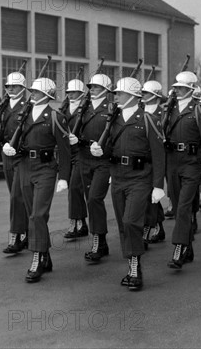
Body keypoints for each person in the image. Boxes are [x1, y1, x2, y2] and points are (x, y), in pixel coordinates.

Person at [90, 77, 166, 291]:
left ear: (133, 96)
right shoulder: (113, 119)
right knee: (124, 223)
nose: (116, 96)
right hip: (118, 176)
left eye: (119, 93)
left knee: (132, 220)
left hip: (140, 178)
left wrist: (158, 185)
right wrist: (100, 151)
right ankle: (131, 261)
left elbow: (159, 155)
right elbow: (108, 147)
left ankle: (135, 265)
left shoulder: (148, 119)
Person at [2, 77, 71, 283]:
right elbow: (17, 139)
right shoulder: (23, 115)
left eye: (36, 92)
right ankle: (45, 254)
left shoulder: (55, 117)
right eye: (31, 91)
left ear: (47, 95)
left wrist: (64, 177)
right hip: (24, 167)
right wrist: (11, 149)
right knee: (32, 213)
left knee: (38, 216)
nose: (32, 93)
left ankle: (37, 257)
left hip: (45, 169)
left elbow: (65, 151)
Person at [163, 71, 201, 270]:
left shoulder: (200, 110)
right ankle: (188, 246)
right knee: (177, 207)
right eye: (176, 87)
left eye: (182, 87)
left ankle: (179, 248)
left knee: (184, 206)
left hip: (192, 163)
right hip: (172, 162)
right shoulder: (168, 109)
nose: (178, 90)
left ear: (191, 89)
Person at [68, 73, 113, 264]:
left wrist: (106, 148)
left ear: (105, 90)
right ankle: (100, 240)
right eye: (91, 87)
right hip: (84, 157)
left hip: (103, 160)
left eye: (95, 87)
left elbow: (116, 134)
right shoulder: (84, 107)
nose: (92, 89)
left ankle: (98, 239)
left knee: (95, 198)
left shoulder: (111, 108)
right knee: (89, 199)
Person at [0, 72, 30, 254]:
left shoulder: (28, 106)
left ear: (22, 88)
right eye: (8, 86)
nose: (10, 89)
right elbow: (1, 129)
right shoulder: (3, 108)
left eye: (14, 86)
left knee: (17, 196)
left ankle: (17, 235)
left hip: (21, 155)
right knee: (14, 193)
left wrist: (19, 147)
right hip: (6, 153)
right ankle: (26, 231)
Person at [61, 79, 89, 240]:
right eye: (68, 92)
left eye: (73, 92)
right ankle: (80, 221)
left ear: (81, 93)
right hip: (67, 151)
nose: (70, 94)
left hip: (80, 151)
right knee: (73, 188)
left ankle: (76, 222)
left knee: (74, 187)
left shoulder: (85, 107)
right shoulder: (65, 107)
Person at [141, 80, 166, 245]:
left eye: (146, 93)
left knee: (151, 194)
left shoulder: (163, 113)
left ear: (155, 95)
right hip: (141, 159)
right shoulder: (139, 111)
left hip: (155, 158)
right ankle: (156, 224)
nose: (143, 95)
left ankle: (151, 226)